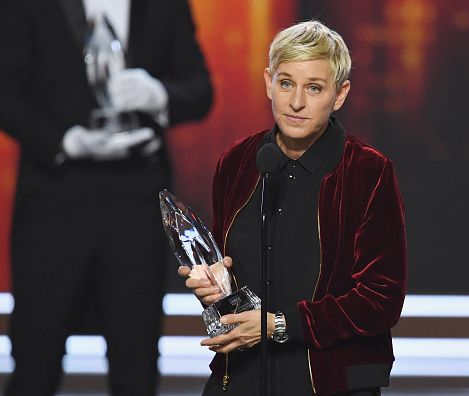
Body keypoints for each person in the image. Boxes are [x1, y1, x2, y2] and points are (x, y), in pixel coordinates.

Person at [179, 21, 407, 396]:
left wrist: (278, 325)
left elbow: (380, 299)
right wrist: (214, 287)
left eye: (314, 88)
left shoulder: (367, 171)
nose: (296, 102)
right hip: (242, 375)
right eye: (286, 83)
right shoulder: (237, 161)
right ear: (269, 82)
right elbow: (229, 272)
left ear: (340, 94)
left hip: (329, 381)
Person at [0, 0, 212, 395]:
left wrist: (159, 95)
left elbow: (200, 88)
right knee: (34, 363)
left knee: (136, 368)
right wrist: (66, 141)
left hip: (136, 205)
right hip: (52, 203)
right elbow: (6, 93)